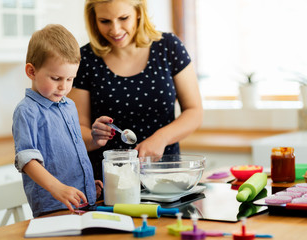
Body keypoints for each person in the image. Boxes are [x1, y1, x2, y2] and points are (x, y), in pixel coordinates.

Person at [68, 0, 203, 181]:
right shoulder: (84, 60)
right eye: (105, 21)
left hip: (165, 176)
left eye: (123, 18)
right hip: (109, 182)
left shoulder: (169, 47)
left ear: (139, 12)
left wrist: (161, 138)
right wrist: (94, 137)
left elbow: (194, 111)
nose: (115, 30)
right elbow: (78, 132)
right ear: (93, 19)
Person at [12, 24, 103, 217]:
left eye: (70, 79)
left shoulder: (68, 106)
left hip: (81, 202)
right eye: (56, 78)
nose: (63, 87)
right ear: (31, 72)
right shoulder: (27, 111)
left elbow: (73, 151)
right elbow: (27, 161)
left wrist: (86, 182)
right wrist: (58, 188)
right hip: (52, 206)